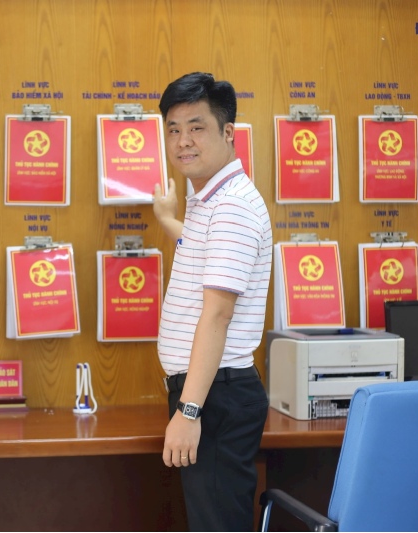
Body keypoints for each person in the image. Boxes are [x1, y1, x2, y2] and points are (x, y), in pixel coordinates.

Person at [152, 72, 272, 531]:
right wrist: (169, 220)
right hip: (211, 391)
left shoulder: (231, 207)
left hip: (213, 395)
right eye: (174, 129)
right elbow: (208, 255)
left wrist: (189, 410)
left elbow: (218, 315)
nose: (183, 141)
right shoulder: (212, 198)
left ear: (228, 132)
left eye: (197, 128)